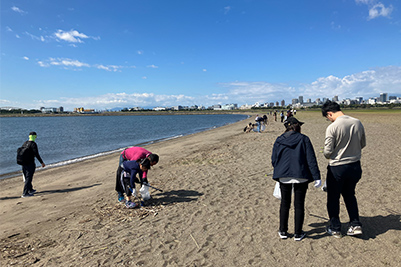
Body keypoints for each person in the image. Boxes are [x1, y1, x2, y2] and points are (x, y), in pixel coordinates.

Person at [271, 117, 321, 241]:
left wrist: (278, 170)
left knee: (285, 204)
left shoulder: (279, 140)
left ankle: (283, 230)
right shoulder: (304, 139)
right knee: (299, 205)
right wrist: (317, 177)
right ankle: (297, 233)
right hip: (300, 175)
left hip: (284, 175)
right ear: (297, 126)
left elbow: (274, 159)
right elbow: (311, 159)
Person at [322, 100, 366, 238]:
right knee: (349, 195)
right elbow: (363, 143)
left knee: (333, 198)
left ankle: (335, 227)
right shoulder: (357, 122)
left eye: (327, 117)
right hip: (355, 166)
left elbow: (327, 152)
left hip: (337, 167)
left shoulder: (333, 127)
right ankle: (355, 224)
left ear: (329, 114)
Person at [20, 132, 46, 198]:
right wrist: (42, 162)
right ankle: (25, 193)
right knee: (29, 177)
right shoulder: (33, 144)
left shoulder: (25, 143)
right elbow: (36, 154)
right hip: (30, 163)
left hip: (24, 163)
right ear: (34, 136)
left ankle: (30, 189)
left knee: (26, 177)